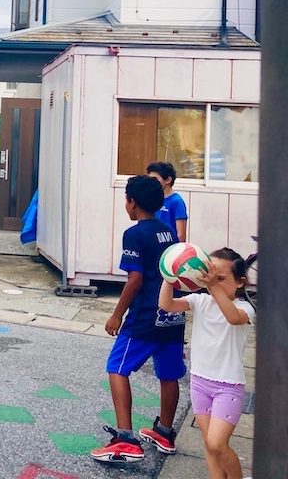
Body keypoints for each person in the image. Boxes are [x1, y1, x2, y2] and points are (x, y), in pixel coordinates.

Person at [91, 175, 186, 463]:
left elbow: (135, 279)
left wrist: (116, 315)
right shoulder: (168, 231)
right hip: (173, 313)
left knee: (117, 368)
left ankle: (125, 440)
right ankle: (165, 432)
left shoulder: (134, 234)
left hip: (145, 314)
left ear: (132, 202)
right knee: (168, 373)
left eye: (126, 200)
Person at [158, 248, 254, 479]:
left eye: (220, 278)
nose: (212, 283)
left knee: (217, 443)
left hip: (228, 386)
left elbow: (233, 318)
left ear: (239, 282)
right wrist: (169, 275)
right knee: (209, 444)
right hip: (200, 382)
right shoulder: (200, 301)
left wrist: (213, 287)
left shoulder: (245, 308)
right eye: (208, 277)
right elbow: (166, 305)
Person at [147, 162, 188, 242]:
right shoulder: (153, 199)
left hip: (170, 246)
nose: (151, 183)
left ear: (168, 180)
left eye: (155, 179)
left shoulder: (176, 201)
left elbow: (181, 235)